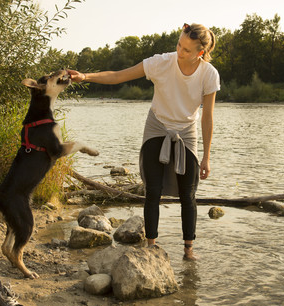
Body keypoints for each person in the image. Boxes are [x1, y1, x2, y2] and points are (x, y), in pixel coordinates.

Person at [68, 23, 220, 260]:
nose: (180, 51)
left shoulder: (209, 74)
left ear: (200, 52)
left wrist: (207, 157)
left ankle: (188, 250)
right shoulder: (161, 62)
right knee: (153, 190)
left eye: (187, 50)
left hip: (187, 132)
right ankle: (151, 246)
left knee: (187, 193)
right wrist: (85, 76)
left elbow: (208, 117)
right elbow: (119, 75)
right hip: (157, 126)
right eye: (179, 45)